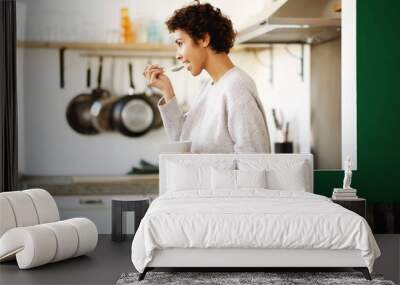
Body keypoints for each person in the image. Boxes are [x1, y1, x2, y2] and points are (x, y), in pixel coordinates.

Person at [143, 1, 271, 153]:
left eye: (180, 43)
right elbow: (182, 138)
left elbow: (254, 162)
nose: (178, 55)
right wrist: (167, 90)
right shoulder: (209, 86)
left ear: (204, 39)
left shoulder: (237, 87)